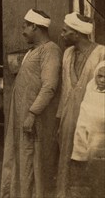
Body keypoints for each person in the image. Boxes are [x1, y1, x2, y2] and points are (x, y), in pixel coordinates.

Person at [0, 9, 62, 198]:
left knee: (32, 158)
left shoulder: (50, 50)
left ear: (35, 26)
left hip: (34, 118)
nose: (22, 31)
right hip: (23, 117)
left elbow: (49, 86)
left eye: (25, 26)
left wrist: (33, 113)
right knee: (21, 157)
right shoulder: (33, 50)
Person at [56, 12, 105, 198]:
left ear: (76, 33)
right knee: (66, 158)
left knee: (92, 162)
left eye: (65, 31)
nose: (61, 34)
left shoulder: (101, 52)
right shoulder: (67, 54)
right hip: (69, 117)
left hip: (93, 120)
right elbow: (64, 89)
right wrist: (59, 118)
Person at [71, 60, 105, 197]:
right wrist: (80, 151)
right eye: (100, 76)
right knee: (95, 182)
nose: (102, 80)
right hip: (92, 148)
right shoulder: (90, 91)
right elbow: (83, 122)